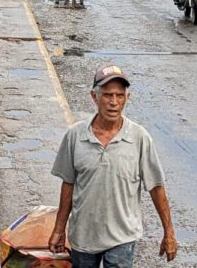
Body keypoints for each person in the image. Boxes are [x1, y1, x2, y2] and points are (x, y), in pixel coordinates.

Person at [49, 65, 178, 267]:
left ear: (127, 98)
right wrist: (58, 230)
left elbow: (156, 186)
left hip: (122, 237)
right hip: (84, 236)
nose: (114, 103)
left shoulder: (139, 137)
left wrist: (169, 232)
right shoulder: (75, 136)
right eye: (108, 95)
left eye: (120, 95)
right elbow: (68, 184)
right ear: (94, 97)